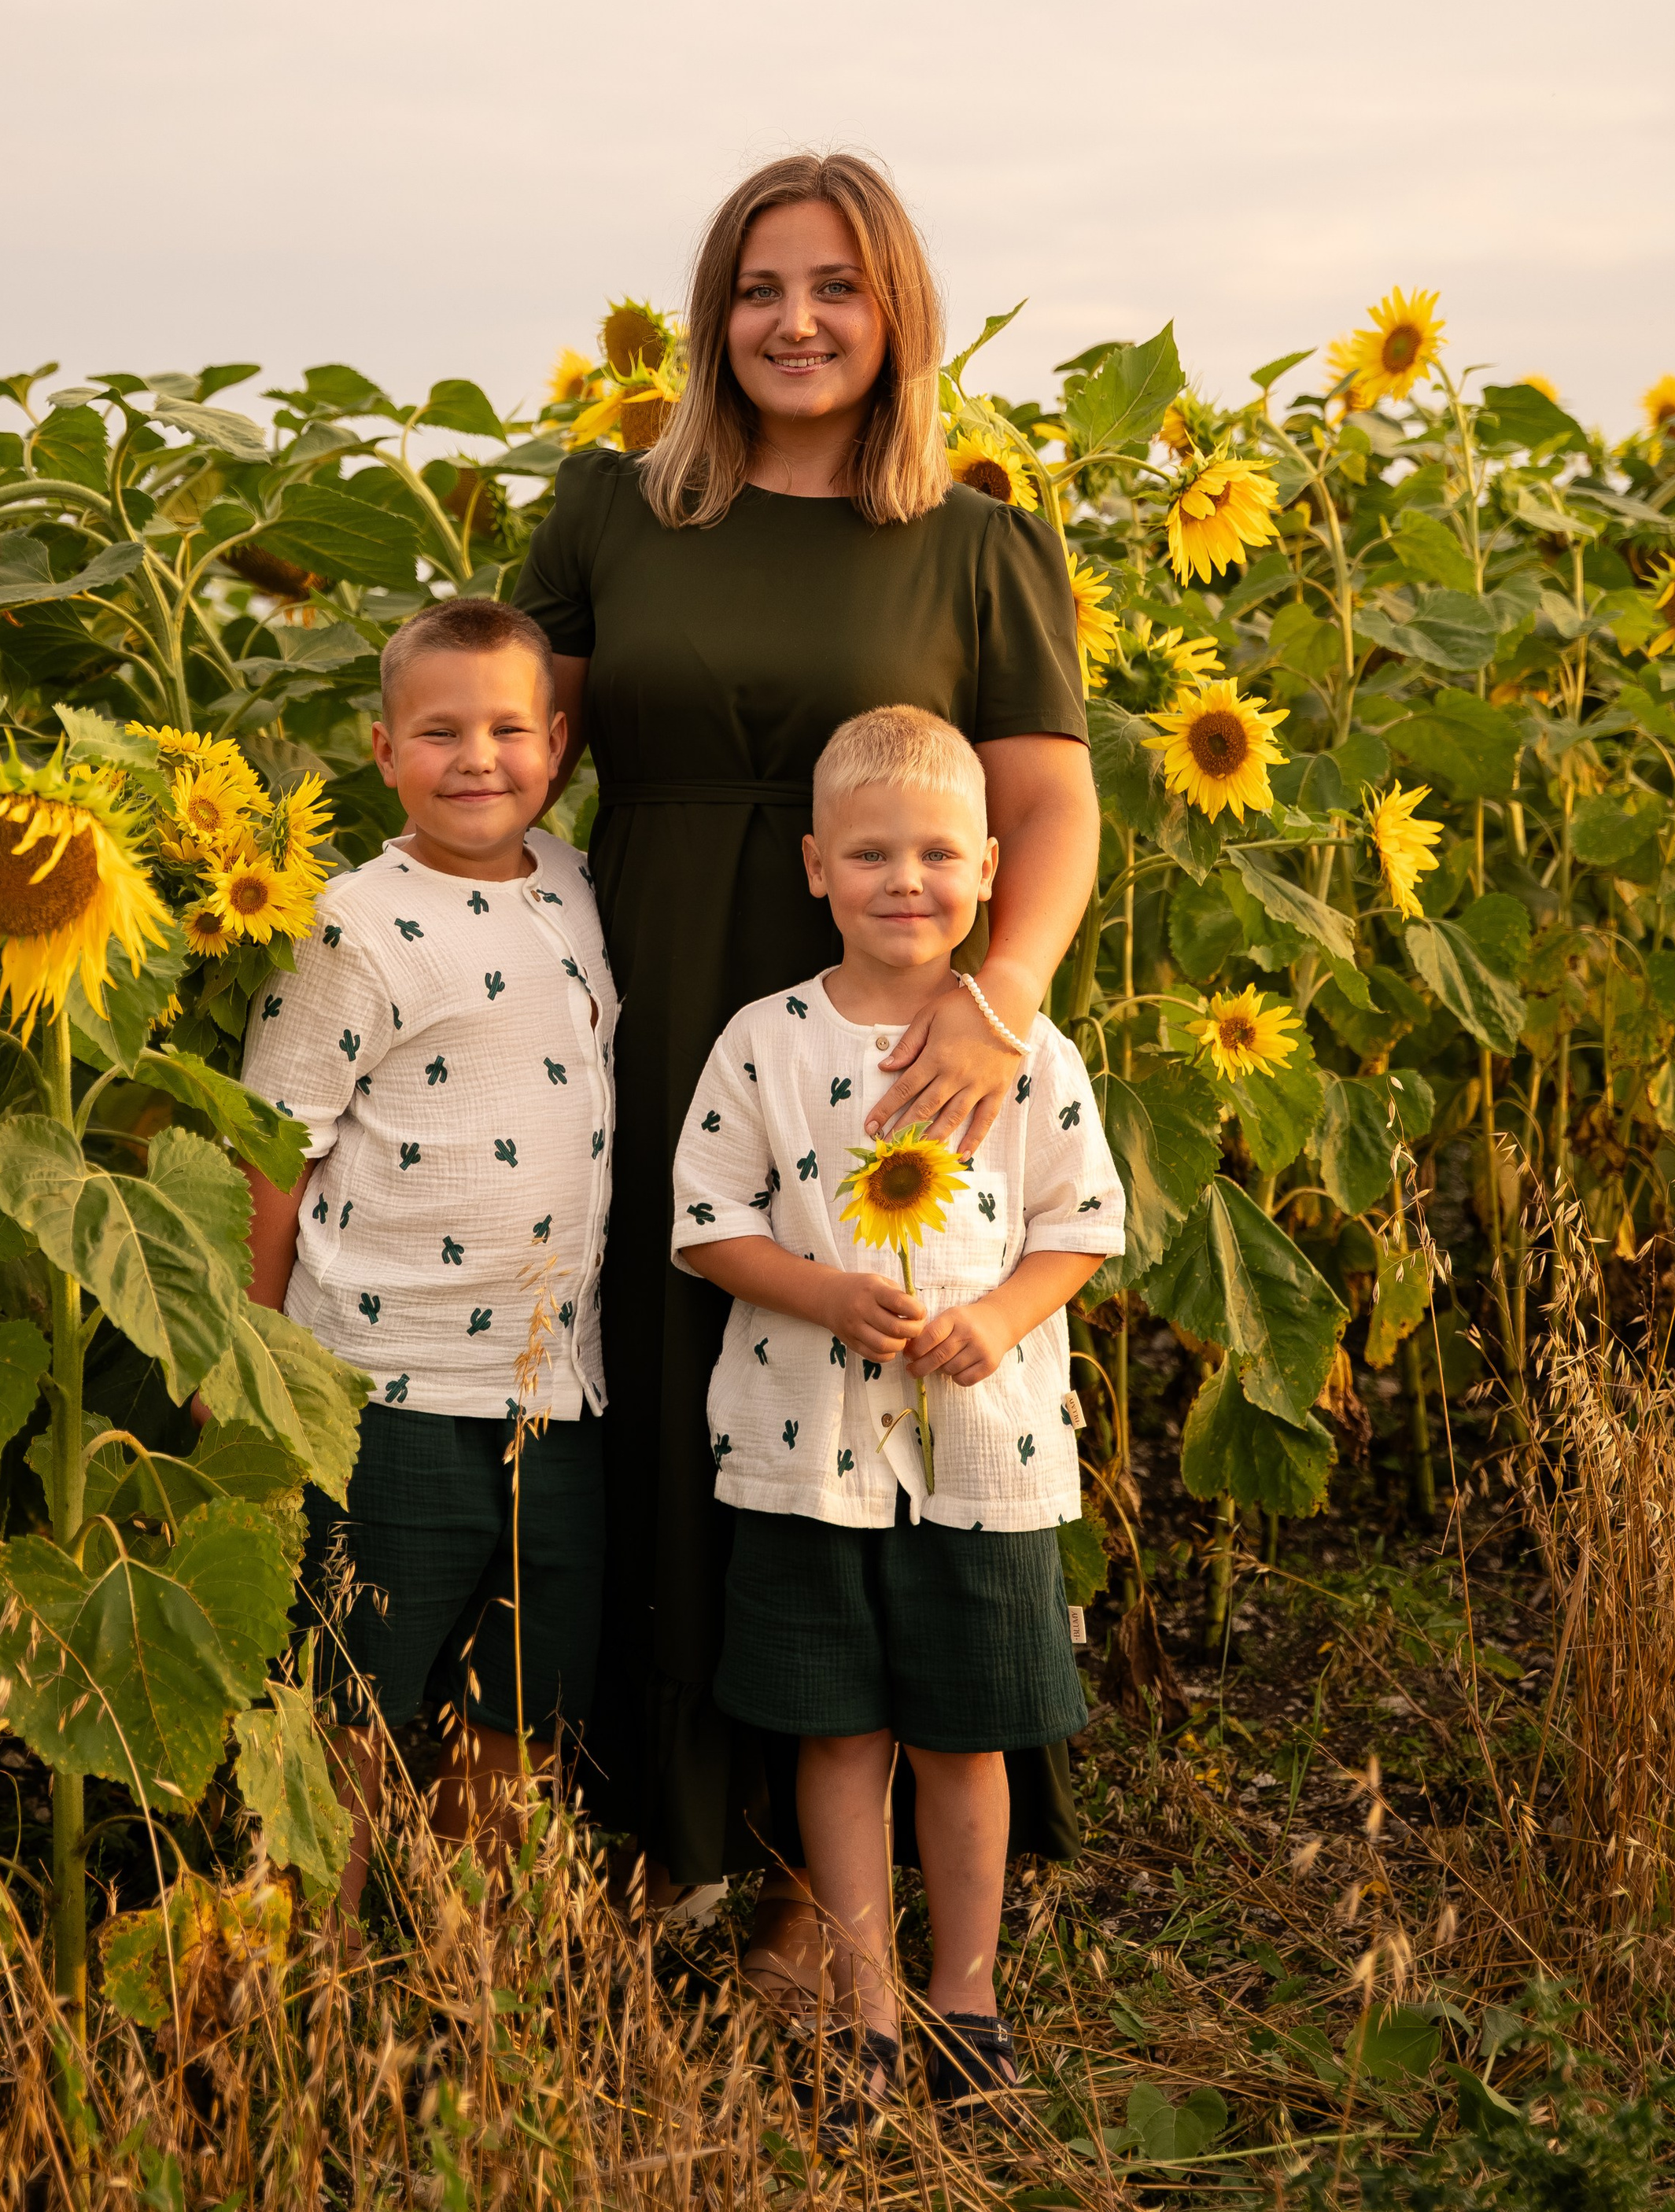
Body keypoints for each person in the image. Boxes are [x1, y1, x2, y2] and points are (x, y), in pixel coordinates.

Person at [515, 150, 1099, 1989]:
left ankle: (806, 1881)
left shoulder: (975, 540)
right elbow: (502, 748)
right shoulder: (613, 510)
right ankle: (665, 1833)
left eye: (835, 288)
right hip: (654, 980)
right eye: (761, 287)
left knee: (870, 1393)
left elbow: (1047, 802)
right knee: (686, 1368)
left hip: (901, 1025)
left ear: (892, 314)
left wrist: (995, 999)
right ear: (713, 315)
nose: (794, 320)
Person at [675, 706, 1123, 2121]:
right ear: (815, 868)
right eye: (870, 854)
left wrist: (995, 1318)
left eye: (939, 853)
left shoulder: (1028, 1050)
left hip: (983, 1459)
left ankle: (967, 1993)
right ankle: (863, 1998)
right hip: (808, 1452)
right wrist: (816, 1291)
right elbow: (703, 1223)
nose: (905, 881)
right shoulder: (769, 1041)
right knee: (839, 1737)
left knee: (965, 1737)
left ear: (992, 871)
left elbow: (1083, 1222)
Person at [236, 597, 619, 1902]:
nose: (478, 758)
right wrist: (254, 1341)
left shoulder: (575, 882)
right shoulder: (352, 922)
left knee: (517, 1702)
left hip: (557, 1384)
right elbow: (273, 1143)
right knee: (352, 1695)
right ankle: (317, 1971)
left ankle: (467, 1964)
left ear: (558, 744)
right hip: (384, 1381)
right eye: (440, 731)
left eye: (510, 728)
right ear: (384, 749)